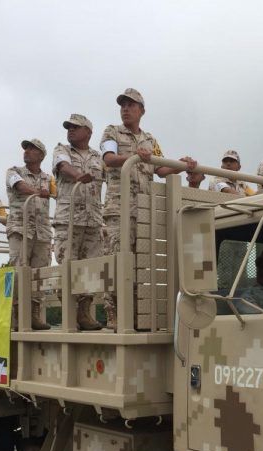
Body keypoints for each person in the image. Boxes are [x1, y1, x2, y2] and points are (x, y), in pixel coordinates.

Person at [100, 88, 197, 329]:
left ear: (142, 111)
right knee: (116, 260)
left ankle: (135, 314)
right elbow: (109, 159)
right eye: (122, 105)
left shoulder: (150, 140)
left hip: (143, 211)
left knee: (140, 262)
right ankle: (114, 313)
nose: (125, 109)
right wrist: (133, 155)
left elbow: (160, 169)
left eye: (131, 105)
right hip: (118, 209)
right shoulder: (112, 131)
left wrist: (181, 166)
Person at [52, 114, 104, 330]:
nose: (70, 130)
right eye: (69, 127)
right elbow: (63, 167)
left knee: (91, 269)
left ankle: (84, 313)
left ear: (88, 132)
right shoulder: (62, 149)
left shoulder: (98, 157)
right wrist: (78, 174)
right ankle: (70, 314)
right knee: (67, 265)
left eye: (76, 127)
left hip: (92, 220)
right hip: (68, 219)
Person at [6, 138, 54, 330]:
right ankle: (16, 316)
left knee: (39, 274)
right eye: (26, 149)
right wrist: (37, 191)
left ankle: (33, 314)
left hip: (41, 231)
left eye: (32, 149)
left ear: (41, 155)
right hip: (20, 228)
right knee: (18, 270)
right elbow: (19, 186)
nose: (27, 151)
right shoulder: (14, 171)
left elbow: (59, 192)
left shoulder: (49, 178)